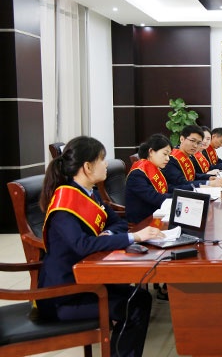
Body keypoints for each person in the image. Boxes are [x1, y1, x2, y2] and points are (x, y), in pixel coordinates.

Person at [37, 136, 164, 357]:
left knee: (140, 298)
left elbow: (119, 223)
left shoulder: (90, 193)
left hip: (87, 281)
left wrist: (108, 233)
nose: (106, 164)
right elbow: (82, 245)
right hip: (64, 294)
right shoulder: (65, 204)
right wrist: (133, 237)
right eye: (102, 159)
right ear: (87, 167)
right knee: (133, 306)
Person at [125, 133, 174, 224]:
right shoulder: (137, 174)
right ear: (151, 152)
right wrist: (178, 197)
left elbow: (168, 188)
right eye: (165, 154)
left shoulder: (155, 168)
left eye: (169, 155)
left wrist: (184, 193)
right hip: (142, 222)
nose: (168, 159)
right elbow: (153, 196)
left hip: (156, 213)